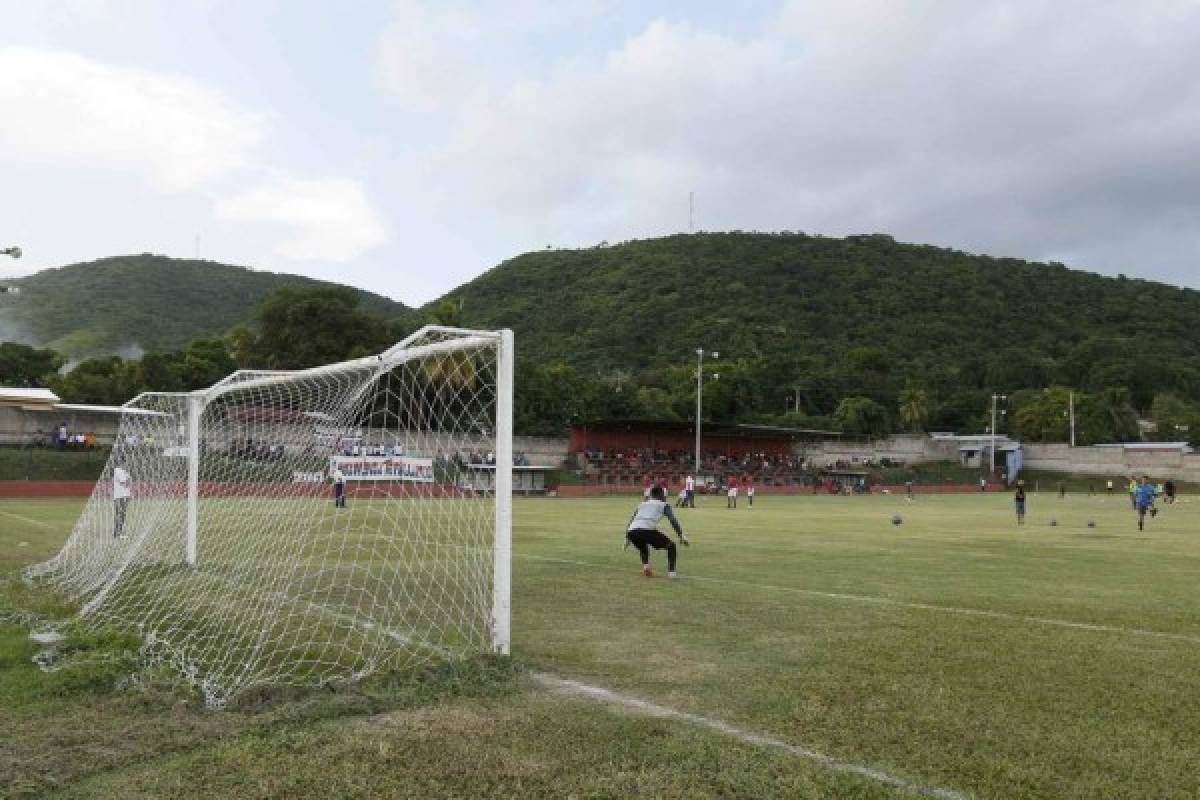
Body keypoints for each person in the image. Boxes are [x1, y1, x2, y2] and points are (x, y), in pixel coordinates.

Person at [625, 486, 689, 578]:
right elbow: (672, 519)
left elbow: (632, 520)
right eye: (665, 495)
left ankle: (646, 567)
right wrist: (681, 535)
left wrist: (627, 538)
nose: (666, 497)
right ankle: (672, 574)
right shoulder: (664, 505)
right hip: (646, 530)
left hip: (631, 531)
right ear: (661, 495)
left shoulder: (642, 504)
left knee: (642, 546)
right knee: (671, 546)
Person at [112, 460, 131, 538]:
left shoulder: (123, 471)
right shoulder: (118, 470)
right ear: (122, 463)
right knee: (120, 514)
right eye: (126, 463)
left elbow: (127, 483)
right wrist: (128, 480)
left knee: (122, 514)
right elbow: (125, 483)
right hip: (120, 496)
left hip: (124, 496)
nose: (127, 465)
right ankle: (117, 533)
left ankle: (118, 533)